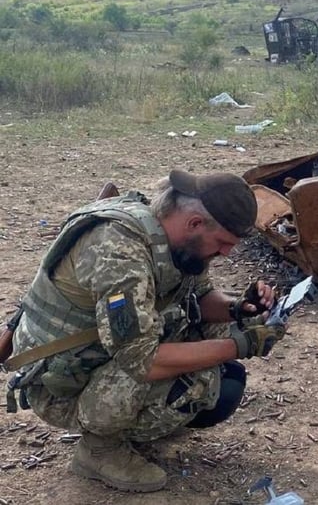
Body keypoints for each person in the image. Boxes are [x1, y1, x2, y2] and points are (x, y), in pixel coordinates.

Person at [5, 169, 285, 492]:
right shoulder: (122, 253)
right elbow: (142, 360)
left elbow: (199, 296)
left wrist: (239, 308)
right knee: (205, 382)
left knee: (220, 356)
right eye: (223, 244)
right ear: (194, 223)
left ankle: (137, 419)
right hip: (59, 383)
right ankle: (98, 449)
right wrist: (240, 345)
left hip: (98, 351)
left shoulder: (170, 236)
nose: (226, 254)